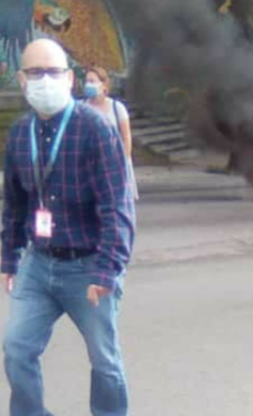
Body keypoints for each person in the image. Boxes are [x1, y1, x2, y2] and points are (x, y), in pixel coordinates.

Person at [1, 39, 135, 416]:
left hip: (88, 266)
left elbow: (117, 207)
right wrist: (8, 259)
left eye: (53, 72)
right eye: (35, 72)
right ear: (22, 79)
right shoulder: (19, 134)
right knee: (16, 349)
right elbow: (13, 203)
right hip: (38, 263)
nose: (45, 80)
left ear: (70, 78)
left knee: (104, 360)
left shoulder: (94, 129)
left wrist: (107, 269)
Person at [84, 65, 139, 199]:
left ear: (103, 85)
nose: (88, 85)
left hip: (115, 163)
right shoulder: (82, 109)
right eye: (86, 81)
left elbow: (126, 137)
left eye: (92, 81)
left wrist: (123, 161)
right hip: (90, 166)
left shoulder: (117, 108)